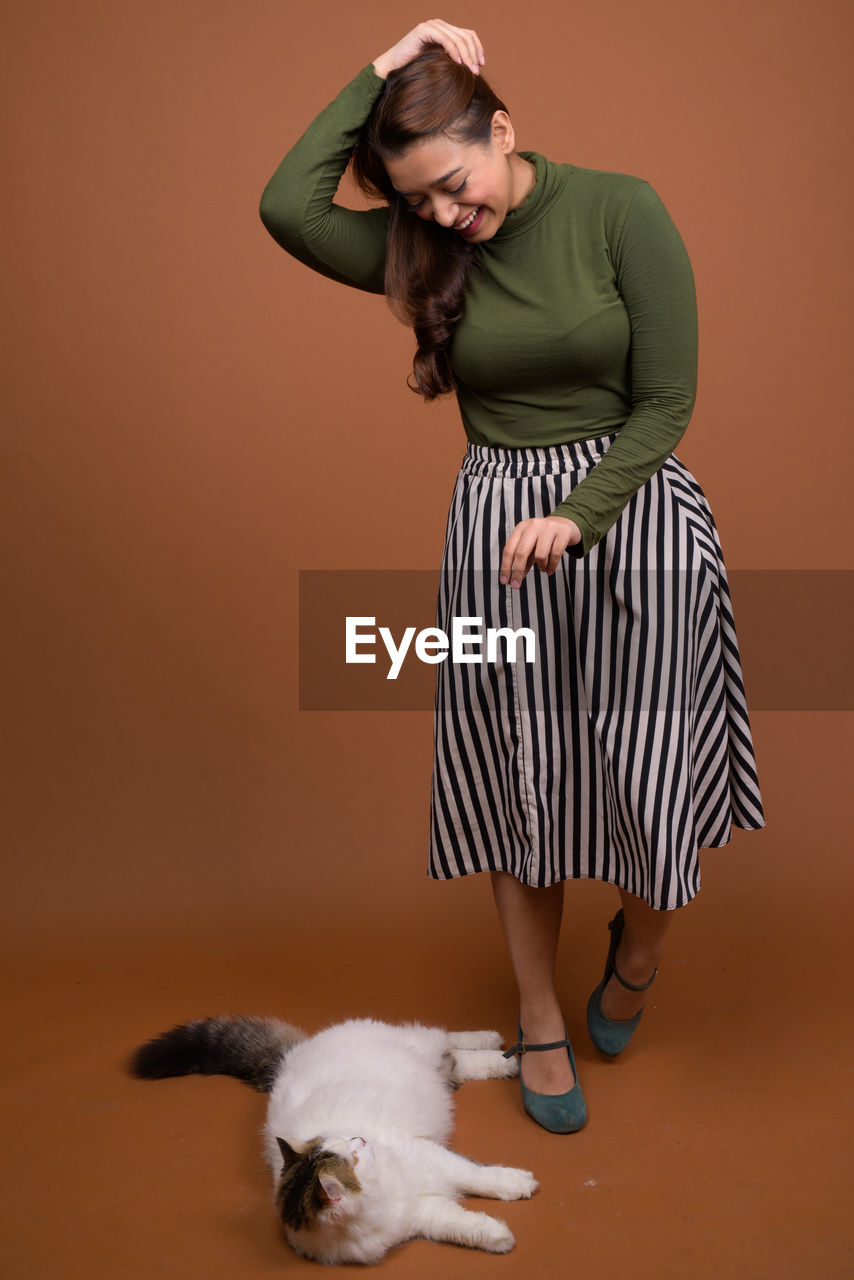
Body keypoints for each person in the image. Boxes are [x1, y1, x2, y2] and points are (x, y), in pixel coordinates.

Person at [259, 19, 765, 1134]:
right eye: (418, 200)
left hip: (628, 510)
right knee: (514, 777)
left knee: (653, 766)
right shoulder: (419, 245)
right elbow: (286, 207)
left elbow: (665, 403)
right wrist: (388, 62)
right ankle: (539, 1015)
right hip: (496, 529)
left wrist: (577, 517)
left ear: (503, 127)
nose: (444, 213)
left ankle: (636, 946)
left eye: (453, 181)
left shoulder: (618, 209)